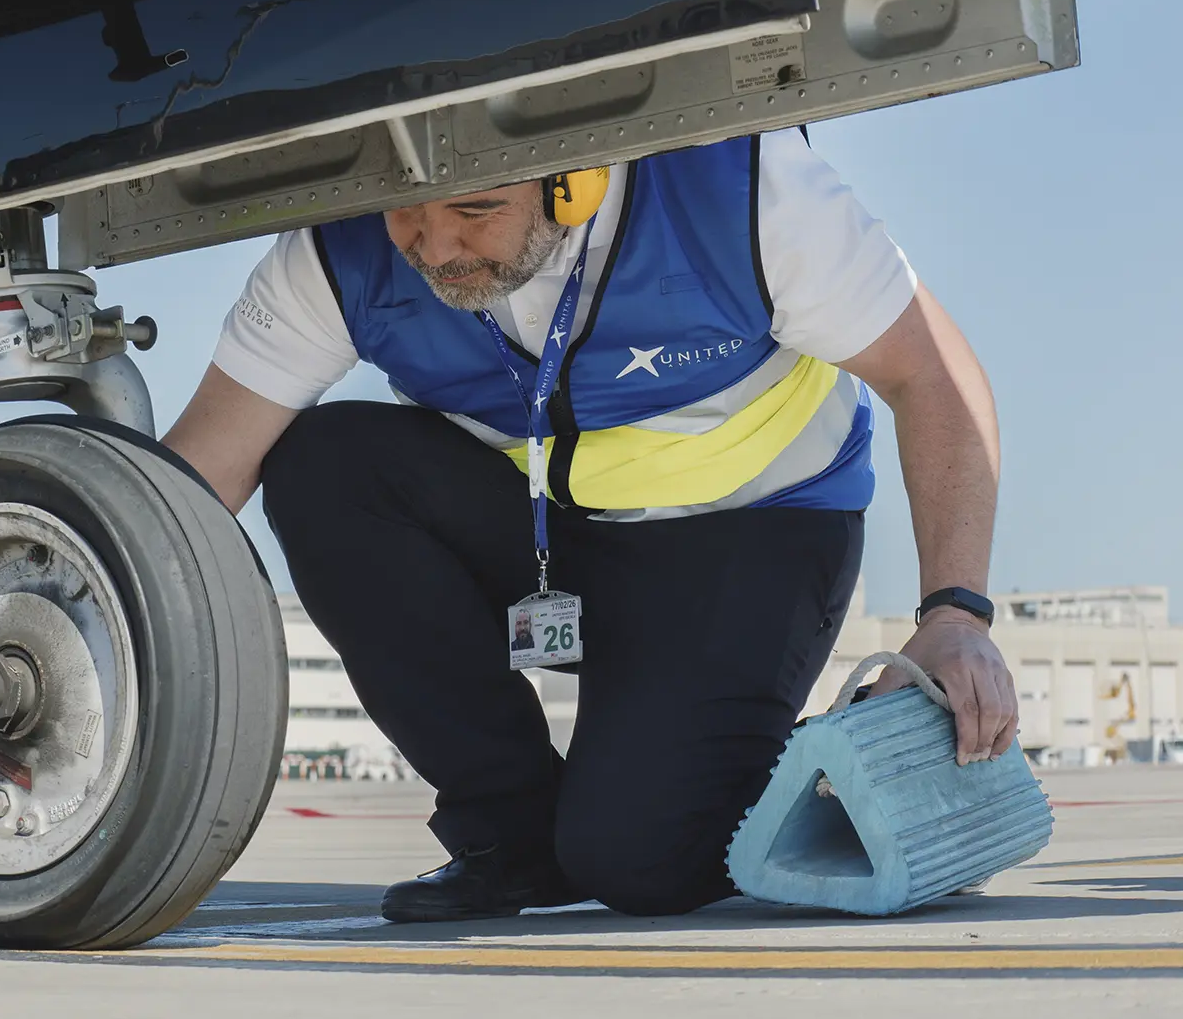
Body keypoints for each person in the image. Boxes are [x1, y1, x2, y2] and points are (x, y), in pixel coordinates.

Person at [164, 130, 1016, 922]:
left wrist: (953, 616)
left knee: (641, 861)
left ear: (571, 178)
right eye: (408, 213)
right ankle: (513, 835)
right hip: (551, 548)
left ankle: (815, 762)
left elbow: (936, 377)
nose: (436, 248)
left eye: (473, 210)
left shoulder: (740, 189)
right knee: (324, 464)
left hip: (749, 542)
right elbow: (186, 489)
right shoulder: (339, 250)